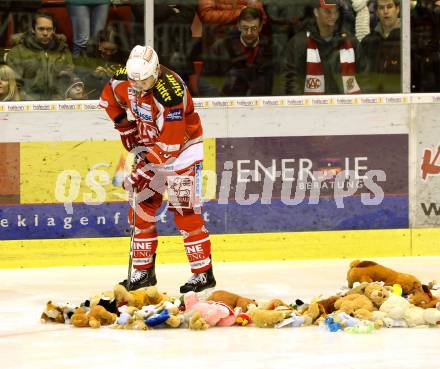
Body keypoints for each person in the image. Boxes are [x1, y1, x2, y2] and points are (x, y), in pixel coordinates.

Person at [99, 45, 216, 292]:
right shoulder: (124, 78)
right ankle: (143, 272)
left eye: (145, 83)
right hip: (152, 148)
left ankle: (203, 273)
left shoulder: (170, 93)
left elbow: (170, 145)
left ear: (156, 72)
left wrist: (144, 170)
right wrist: (125, 127)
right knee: (141, 209)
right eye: (135, 83)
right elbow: (108, 99)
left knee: (185, 212)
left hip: (182, 153)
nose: (139, 88)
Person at [284, 0, 361, 95]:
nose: (333, 16)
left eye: (336, 11)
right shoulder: (299, 42)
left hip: (345, 106)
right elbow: (293, 82)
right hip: (310, 107)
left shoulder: (350, 42)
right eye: (328, 11)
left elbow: (363, 77)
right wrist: (302, 108)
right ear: (316, 12)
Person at [205, 7, 273, 96]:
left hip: (262, 104)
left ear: (260, 27)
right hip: (227, 103)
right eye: (245, 28)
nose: (249, 33)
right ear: (239, 26)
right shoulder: (222, 47)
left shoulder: (271, 49)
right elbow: (205, 80)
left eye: (254, 28)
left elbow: (280, 82)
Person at [6, 12, 74, 100]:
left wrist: (62, 97)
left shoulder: (62, 50)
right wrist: (24, 98)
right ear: (33, 29)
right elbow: (14, 82)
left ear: (54, 30)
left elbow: (69, 78)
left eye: (49, 29)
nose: (45, 33)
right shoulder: (18, 52)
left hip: (57, 102)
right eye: (41, 29)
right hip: (27, 103)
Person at [358, 0, 401, 93]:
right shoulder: (368, 41)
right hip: (373, 99)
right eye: (381, 8)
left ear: (397, 9)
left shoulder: (408, 38)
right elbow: (362, 74)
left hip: (402, 98)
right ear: (377, 13)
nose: (385, 11)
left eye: (389, 6)